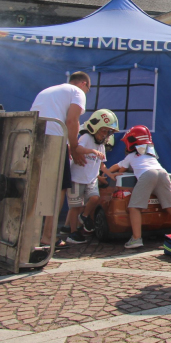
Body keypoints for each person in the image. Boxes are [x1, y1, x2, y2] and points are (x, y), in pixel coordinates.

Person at [30, 71, 91, 249]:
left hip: (32, 136)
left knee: (34, 185)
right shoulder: (77, 92)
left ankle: (28, 233)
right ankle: (48, 236)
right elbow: (72, 121)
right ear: (83, 84)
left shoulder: (48, 91)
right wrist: (74, 147)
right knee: (59, 188)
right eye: (88, 89)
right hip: (54, 139)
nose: (86, 94)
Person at [108, 126, 171, 249]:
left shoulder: (131, 156)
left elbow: (119, 168)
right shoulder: (151, 154)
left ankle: (136, 239)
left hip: (148, 175)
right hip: (162, 172)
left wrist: (106, 172)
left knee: (134, 208)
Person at [66, 109, 119, 244]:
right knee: (75, 207)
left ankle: (84, 217)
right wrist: (91, 151)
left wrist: (110, 175)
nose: (105, 134)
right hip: (77, 178)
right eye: (103, 130)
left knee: (95, 198)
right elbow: (77, 149)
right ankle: (72, 233)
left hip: (91, 179)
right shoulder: (87, 138)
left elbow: (101, 165)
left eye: (108, 132)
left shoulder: (101, 145)